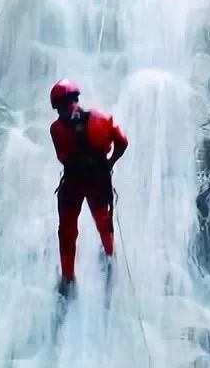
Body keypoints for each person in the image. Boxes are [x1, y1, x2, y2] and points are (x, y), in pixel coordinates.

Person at [49, 80, 128, 293]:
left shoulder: (56, 129)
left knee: (67, 230)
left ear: (58, 106)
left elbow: (62, 157)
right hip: (98, 180)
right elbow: (123, 142)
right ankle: (110, 257)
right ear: (76, 99)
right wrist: (110, 162)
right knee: (103, 220)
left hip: (73, 183)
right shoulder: (102, 118)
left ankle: (68, 278)